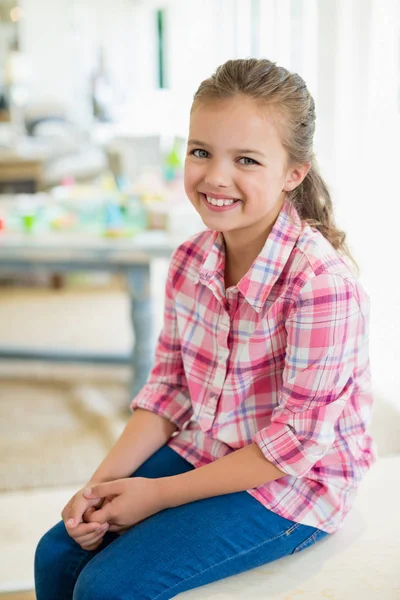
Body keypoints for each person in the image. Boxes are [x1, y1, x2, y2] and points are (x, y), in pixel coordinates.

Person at [34, 58, 377, 600]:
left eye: (245, 159)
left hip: (293, 483)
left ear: (294, 172)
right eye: (201, 152)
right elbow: (169, 393)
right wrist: (97, 488)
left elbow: (294, 448)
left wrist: (157, 494)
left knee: (108, 587)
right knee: (56, 553)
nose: (216, 177)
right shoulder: (190, 259)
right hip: (210, 446)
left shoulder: (319, 284)